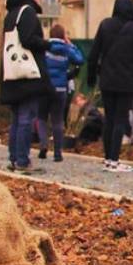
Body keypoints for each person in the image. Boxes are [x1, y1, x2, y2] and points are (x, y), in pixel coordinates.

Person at [86, 0, 133, 173]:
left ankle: (108, 159)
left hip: (106, 80)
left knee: (109, 119)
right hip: (126, 81)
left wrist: (91, 78)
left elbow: (94, 54)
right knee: (120, 120)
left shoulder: (105, 25)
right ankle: (115, 160)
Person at [0, 0, 55, 172]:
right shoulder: (27, 12)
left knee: (16, 118)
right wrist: (47, 44)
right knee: (26, 116)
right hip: (27, 74)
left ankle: (14, 157)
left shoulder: (11, 13)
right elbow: (28, 39)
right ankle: (23, 160)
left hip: (12, 72)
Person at [40, 24, 84, 162]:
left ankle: (43, 145)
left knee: (41, 117)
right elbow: (80, 60)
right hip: (60, 89)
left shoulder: (44, 47)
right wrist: (71, 45)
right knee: (58, 120)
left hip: (44, 89)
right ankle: (58, 153)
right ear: (63, 36)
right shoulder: (66, 50)